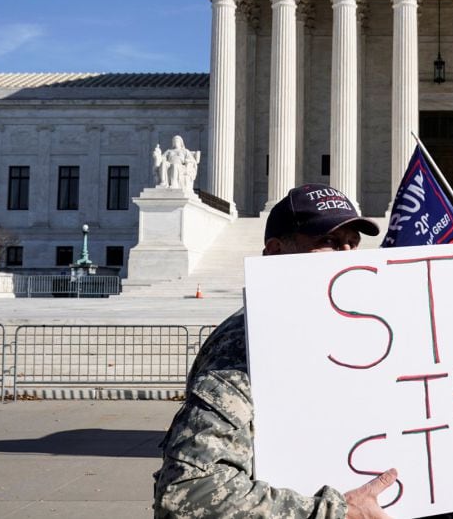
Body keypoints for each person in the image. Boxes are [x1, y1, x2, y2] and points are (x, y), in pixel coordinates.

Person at [153, 183, 398, 519]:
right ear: (275, 251)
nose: (345, 255)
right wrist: (334, 512)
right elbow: (189, 493)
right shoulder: (245, 343)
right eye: (327, 242)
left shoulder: (353, 332)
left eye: (351, 244)